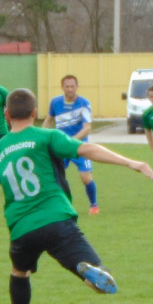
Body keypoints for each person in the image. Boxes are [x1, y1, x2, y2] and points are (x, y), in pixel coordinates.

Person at [0, 88, 153, 304]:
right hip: (57, 220)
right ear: (35, 113)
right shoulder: (47, 137)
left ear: (7, 115)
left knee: (19, 272)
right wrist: (130, 162)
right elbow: (87, 149)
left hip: (22, 229)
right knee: (101, 280)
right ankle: (89, 272)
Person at [42, 74, 99, 214]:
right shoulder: (55, 102)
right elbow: (49, 120)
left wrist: (71, 141)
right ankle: (59, 205)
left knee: (85, 177)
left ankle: (93, 205)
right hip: (61, 147)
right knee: (55, 177)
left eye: (72, 86)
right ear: (62, 87)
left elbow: (87, 128)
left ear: (77, 87)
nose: (70, 89)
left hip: (79, 146)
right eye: (67, 86)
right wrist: (42, 135)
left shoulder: (83, 103)